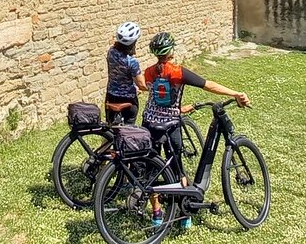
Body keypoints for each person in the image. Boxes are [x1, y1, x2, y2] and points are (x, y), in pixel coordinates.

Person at [141, 31, 251, 228]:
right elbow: (208, 85)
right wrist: (235, 93)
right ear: (171, 51)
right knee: (178, 169)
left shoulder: (149, 71)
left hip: (149, 123)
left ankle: (157, 214)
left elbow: (156, 95)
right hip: (170, 125)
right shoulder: (177, 72)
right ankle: (184, 215)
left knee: (152, 169)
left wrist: (177, 107)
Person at [105, 22, 146, 125]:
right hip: (128, 100)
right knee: (128, 130)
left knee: (110, 128)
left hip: (111, 97)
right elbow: (141, 84)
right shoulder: (131, 62)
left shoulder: (111, 52)